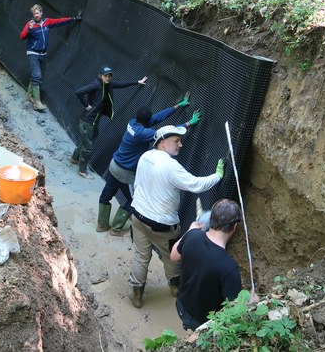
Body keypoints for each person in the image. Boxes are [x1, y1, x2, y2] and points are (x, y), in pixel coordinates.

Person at [127, 124, 225, 309]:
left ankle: (136, 294)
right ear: (163, 143)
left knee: (141, 257)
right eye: (176, 141)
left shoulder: (145, 156)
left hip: (138, 217)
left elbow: (138, 183)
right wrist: (217, 176)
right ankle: (175, 289)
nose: (180, 145)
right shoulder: (170, 166)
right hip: (162, 226)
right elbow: (195, 184)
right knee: (171, 257)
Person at [96, 95, 202, 236]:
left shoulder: (133, 122)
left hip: (114, 165)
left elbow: (157, 117)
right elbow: (167, 134)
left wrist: (178, 106)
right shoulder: (143, 133)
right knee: (134, 201)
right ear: (146, 121)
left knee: (106, 195)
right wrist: (189, 123)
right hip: (125, 173)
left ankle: (101, 226)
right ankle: (116, 229)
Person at [170, 199, 242, 331]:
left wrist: (189, 231)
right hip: (202, 323)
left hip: (181, 305)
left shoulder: (192, 237)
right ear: (234, 227)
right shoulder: (229, 267)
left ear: (211, 218)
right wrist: (250, 301)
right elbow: (235, 308)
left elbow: (173, 256)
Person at [71, 67, 147, 179]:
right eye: (105, 75)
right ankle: (82, 170)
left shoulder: (108, 84)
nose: (108, 78)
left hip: (95, 120)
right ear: (101, 75)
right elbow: (79, 92)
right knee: (88, 146)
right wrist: (86, 105)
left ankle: (75, 158)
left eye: (109, 75)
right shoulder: (96, 84)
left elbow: (121, 84)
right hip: (88, 120)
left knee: (89, 140)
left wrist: (137, 82)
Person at [20, 4, 81, 112]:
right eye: (34, 14)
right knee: (37, 75)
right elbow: (22, 37)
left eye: (37, 13)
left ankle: (30, 95)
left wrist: (74, 18)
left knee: (36, 75)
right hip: (33, 53)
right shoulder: (31, 24)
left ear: (41, 12)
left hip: (42, 54)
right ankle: (37, 103)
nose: (36, 15)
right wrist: (29, 29)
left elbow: (59, 21)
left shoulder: (47, 22)